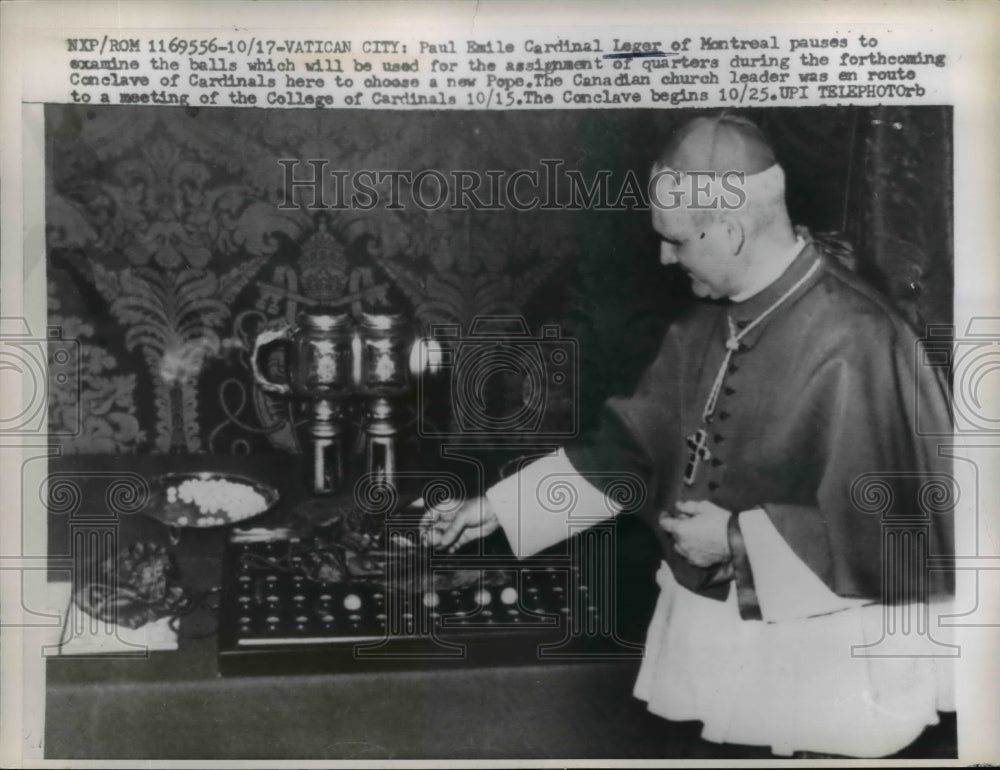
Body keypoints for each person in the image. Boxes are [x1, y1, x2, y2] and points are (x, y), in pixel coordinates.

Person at [422, 113, 955, 758]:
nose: (664, 256)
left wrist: (737, 541)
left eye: (675, 239)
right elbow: (629, 452)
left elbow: (896, 527)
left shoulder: (863, 340)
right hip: (730, 639)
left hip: (828, 651)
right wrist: (498, 508)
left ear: (731, 230)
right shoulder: (704, 324)